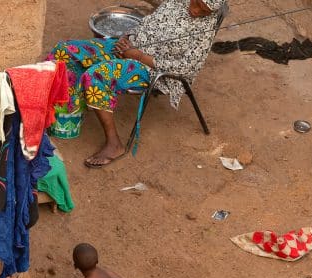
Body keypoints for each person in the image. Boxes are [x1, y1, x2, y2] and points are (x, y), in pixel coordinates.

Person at [48, 0, 226, 167]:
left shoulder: (205, 29)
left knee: (97, 76)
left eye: (204, 10)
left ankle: (114, 143)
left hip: (150, 68)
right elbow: (147, 22)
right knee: (65, 51)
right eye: (197, 3)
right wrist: (127, 38)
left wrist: (138, 55)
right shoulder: (177, 2)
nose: (196, 10)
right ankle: (69, 111)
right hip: (129, 49)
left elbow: (184, 68)